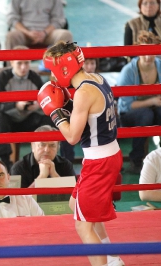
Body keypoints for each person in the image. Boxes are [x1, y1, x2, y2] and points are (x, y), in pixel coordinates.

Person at [38, 41, 124, 266]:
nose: (51, 75)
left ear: (63, 68)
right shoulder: (98, 79)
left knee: (82, 225)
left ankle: (104, 263)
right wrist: (67, 106)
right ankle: (112, 257)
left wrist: (55, 113)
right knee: (75, 205)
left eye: (52, 69)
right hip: (107, 155)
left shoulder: (83, 93)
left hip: (99, 162)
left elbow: (72, 136)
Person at [0, 45, 53, 170]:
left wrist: (37, 106)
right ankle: (6, 162)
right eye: (19, 63)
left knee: (48, 120)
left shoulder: (35, 77)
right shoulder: (3, 77)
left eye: (26, 63)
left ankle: (44, 159)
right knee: (0, 119)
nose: (23, 67)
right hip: (7, 121)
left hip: (27, 119)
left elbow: (46, 101)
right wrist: (15, 105)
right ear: (12, 62)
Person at [117, 30, 161, 174]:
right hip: (128, 114)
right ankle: (136, 160)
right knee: (146, 114)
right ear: (137, 51)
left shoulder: (159, 66)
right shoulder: (128, 71)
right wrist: (153, 100)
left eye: (152, 51)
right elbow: (127, 105)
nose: (148, 56)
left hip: (155, 109)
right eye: (144, 51)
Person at [11, 125, 76, 188]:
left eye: (52, 145)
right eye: (42, 145)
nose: (47, 150)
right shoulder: (18, 168)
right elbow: (19, 198)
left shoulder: (66, 165)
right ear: (33, 146)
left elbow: (75, 195)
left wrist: (54, 175)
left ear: (58, 148)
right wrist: (42, 176)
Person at [5, 0, 72, 50]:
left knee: (66, 35)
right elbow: (12, 18)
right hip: (24, 33)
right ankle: (10, 67)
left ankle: (66, 67)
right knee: (11, 36)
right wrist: (28, 33)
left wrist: (44, 33)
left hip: (48, 33)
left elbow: (58, 19)